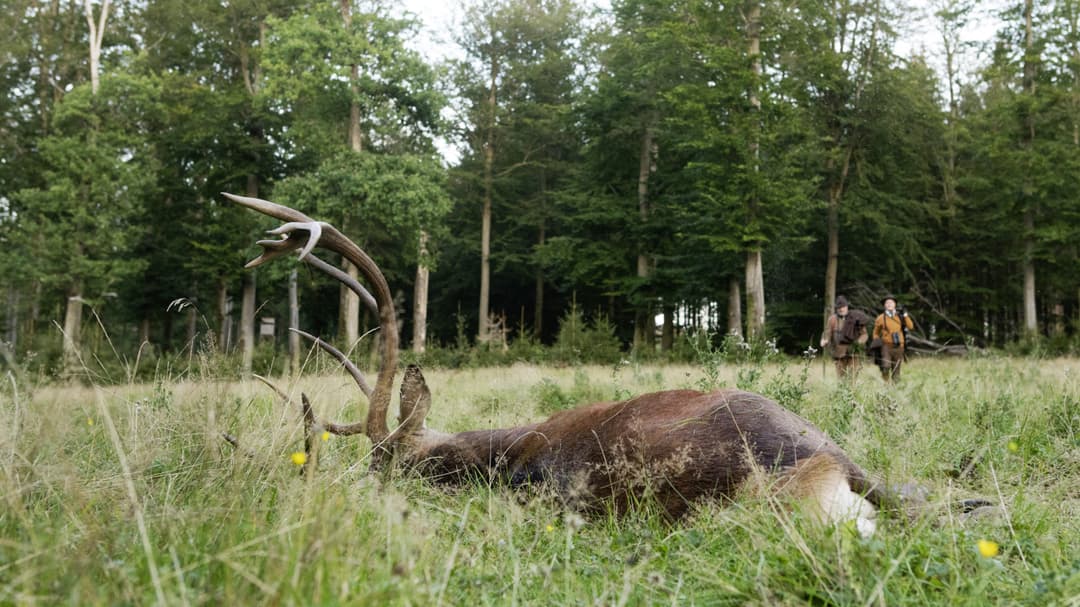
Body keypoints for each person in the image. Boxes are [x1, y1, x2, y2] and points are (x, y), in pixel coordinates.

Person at [820, 295, 868, 379]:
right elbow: (827, 332)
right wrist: (825, 340)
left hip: (853, 352)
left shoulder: (856, 318)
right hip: (838, 352)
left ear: (847, 307)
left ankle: (853, 392)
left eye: (843, 307)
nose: (841, 309)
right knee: (841, 377)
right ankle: (842, 391)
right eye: (839, 307)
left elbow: (864, 334)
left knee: (852, 376)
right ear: (836, 308)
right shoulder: (832, 319)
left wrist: (859, 343)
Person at [872, 294, 914, 382]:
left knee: (896, 370)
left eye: (891, 302)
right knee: (886, 366)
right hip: (886, 346)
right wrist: (876, 341)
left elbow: (910, 326)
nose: (889, 304)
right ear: (884, 305)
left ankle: (895, 390)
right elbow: (875, 332)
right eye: (887, 303)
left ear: (895, 304)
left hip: (899, 346)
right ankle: (885, 384)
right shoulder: (880, 318)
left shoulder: (900, 316)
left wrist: (905, 315)